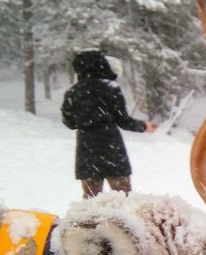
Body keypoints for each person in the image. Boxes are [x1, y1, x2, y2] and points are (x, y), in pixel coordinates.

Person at [61, 49, 156, 198]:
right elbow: (123, 120)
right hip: (112, 149)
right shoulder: (111, 88)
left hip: (87, 151)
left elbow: (69, 123)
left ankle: (92, 215)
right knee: (123, 197)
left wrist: (87, 119)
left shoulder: (73, 92)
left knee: (91, 200)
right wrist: (144, 126)